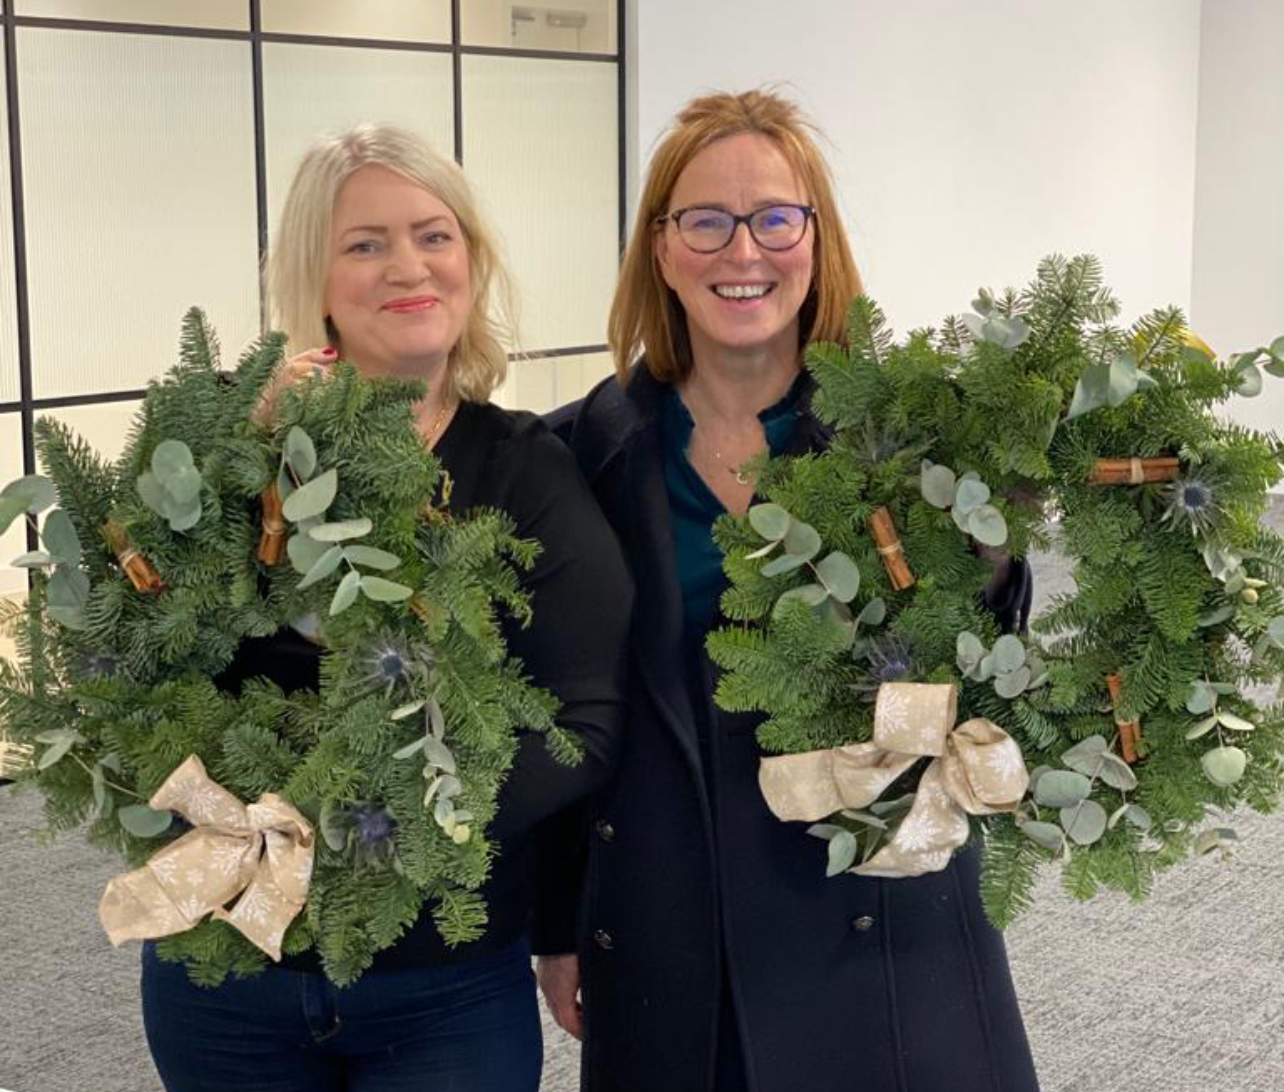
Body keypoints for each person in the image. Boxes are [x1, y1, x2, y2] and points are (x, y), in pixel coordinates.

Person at [537, 90, 1039, 1092]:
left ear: (816, 239)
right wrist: (557, 925)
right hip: (669, 926)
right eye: (706, 221)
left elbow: (990, 668)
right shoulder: (575, 458)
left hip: (882, 922)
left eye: (774, 217)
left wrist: (995, 538)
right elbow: (554, 714)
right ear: (661, 246)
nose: (743, 252)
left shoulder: (910, 439)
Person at [139, 124, 633, 1092]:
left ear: (470, 261)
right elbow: (140, 660)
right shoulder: (222, 458)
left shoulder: (525, 472)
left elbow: (585, 721)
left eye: (434, 235)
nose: (408, 265)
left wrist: (372, 827)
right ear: (312, 277)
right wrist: (246, 462)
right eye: (364, 243)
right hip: (227, 972)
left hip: (441, 983)